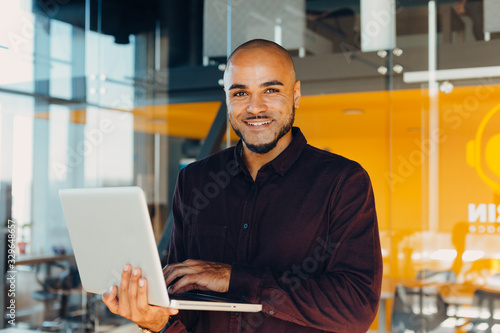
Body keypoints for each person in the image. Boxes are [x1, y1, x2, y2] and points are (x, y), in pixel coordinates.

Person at [103, 39, 382, 333]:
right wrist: (158, 322)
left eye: (271, 90)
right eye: (240, 92)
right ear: (226, 98)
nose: (255, 107)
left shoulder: (343, 182)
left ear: (296, 95)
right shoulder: (194, 180)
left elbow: (357, 307)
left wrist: (233, 278)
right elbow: (183, 307)